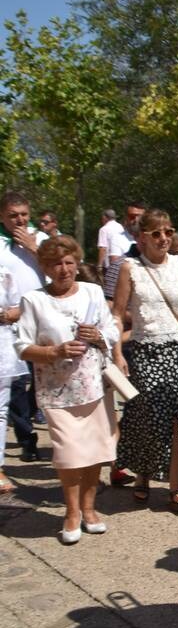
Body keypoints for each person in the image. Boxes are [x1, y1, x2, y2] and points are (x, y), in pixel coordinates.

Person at [15, 237, 120, 543]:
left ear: (77, 262)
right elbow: (23, 346)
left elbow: (112, 329)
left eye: (69, 262)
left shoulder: (92, 292)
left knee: (95, 452)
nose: (64, 269)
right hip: (56, 391)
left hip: (92, 387)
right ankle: (71, 512)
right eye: (56, 263)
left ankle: (89, 510)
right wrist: (55, 352)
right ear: (45, 267)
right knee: (69, 454)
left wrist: (100, 334)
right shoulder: (33, 300)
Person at [112, 209, 178, 514]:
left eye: (168, 231)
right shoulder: (130, 268)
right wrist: (116, 353)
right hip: (146, 352)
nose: (164, 238)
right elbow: (116, 314)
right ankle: (143, 474)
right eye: (156, 233)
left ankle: (175, 490)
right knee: (150, 420)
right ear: (142, 238)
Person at [2, 191, 50, 462]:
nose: (19, 220)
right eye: (13, 215)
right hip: (8, 323)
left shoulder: (41, 239)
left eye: (24, 215)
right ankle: (26, 437)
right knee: (18, 382)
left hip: (41, 318)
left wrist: (34, 248)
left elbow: (61, 270)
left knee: (43, 378)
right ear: (2, 216)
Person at [0, 250, 27, 494]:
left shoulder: (5, 270)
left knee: (0, 410)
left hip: (2, 346)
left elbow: (18, 307)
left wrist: (4, 315)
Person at [99, 202, 144, 300]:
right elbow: (116, 266)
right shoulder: (117, 237)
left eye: (140, 217)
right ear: (126, 218)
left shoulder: (153, 238)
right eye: (132, 216)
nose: (136, 220)